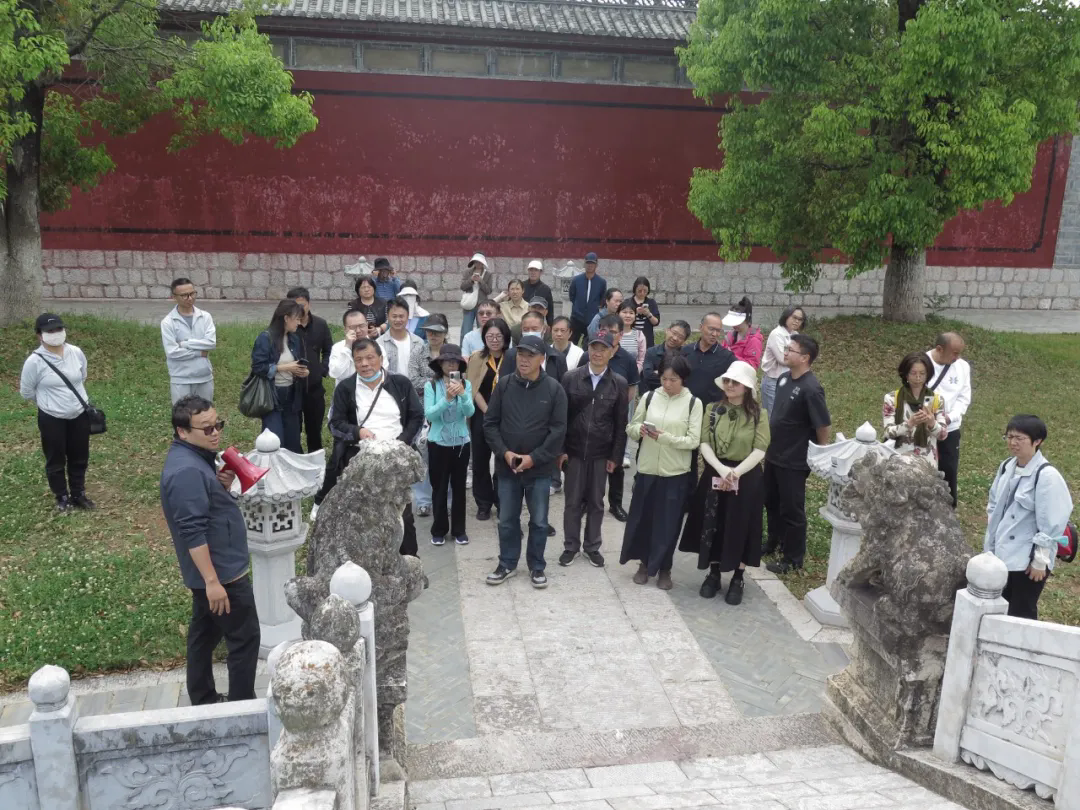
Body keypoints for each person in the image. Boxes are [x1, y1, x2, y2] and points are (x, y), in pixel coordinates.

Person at [161, 395, 258, 705]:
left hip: (215, 573)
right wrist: (213, 583)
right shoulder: (186, 472)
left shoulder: (195, 459)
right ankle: (242, 707)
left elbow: (206, 507)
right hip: (222, 575)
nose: (215, 433)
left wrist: (220, 486)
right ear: (182, 431)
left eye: (218, 425)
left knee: (204, 636)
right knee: (244, 638)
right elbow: (192, 531)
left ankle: (203, 700)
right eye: (206, 429)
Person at [679, 361, 770, 606]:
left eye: (735, 382)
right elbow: (704, 442)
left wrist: (736, 472)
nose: (729, 385)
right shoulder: (712, 409)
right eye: (727, 381)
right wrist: (721, 469)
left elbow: (760, 449)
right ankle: (714, 572)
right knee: (714, 522)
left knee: (742, 525)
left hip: (746, 475)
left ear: (746, 387)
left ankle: (738, 577)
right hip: (716, 471)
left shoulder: (759, 415)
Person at [483, 336, 568, 588]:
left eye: (531, 355)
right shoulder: (504, 385)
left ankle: (537, 566)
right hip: (507, 468)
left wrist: (534, 458)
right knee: (507, 520)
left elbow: (558, 431)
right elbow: (490, 424)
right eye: (521, 354)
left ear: (542, 358)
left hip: (539, 470)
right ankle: (507, 563)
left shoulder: (554, 389)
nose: (524, 359)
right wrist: (504, 453)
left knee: (539, 521)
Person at [325, 339, 424, 553]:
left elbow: (416, 416)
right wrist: (358, 432)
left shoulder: (400, 383)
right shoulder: (346, 388)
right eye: (358, 359)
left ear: (380, 358)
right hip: (362, 463)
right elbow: (335, 423)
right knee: (364, 517)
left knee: (402, 515)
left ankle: (410, 561)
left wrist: (402, 442)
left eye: (370, 358)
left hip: (395, 461)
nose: (365, 364)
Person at [619, 355, 703, 589]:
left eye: (673, 380)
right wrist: (639, 430)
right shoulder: (649, 397)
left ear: (683, 379)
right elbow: (631, 427)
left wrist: (666, 438)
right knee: (644, 519)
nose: (667, 384)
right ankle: (644, 563)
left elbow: (693, 441)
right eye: (664, 379)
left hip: (675, 473)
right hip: (648, 469)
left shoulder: (693, 403)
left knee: (669, 523)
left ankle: (665, 568)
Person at [984, 415, 1073, 621]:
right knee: (1000, 607)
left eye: (1020, 438)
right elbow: (994, 503)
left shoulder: (1047, 475)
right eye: (1009, 437)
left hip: (1027, 560)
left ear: (1037, 441)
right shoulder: (1006, 466)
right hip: (1001, 554)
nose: (1013, 443)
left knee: (1021, 612)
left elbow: (1052, 523)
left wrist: (1040, 560)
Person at [558, 333, 628, 569]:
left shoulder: (619, 382)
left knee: (597, 502)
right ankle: (570, 546)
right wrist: (561, 450)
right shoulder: (571, 378)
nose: (597, 353)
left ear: (612, 352)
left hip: (601, 453)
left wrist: (615, 456)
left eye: (603, 349)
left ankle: (592, 546)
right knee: (572, 501)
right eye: (593, 348)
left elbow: (621, 423)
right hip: (574, 451)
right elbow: (561, 418)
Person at [764, 334, 831, 574]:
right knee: (771, 501)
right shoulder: (784, 379)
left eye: (790, 350)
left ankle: (793, 558)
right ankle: (774, 541)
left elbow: (823, 425)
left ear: (804, 358)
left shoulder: (811, 389)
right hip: (774, 453)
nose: (785, 352)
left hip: (794, 459)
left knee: (792, 509)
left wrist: (820, 453)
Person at [19, 313, 96, 512]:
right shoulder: (34, 362)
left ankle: (78, 493)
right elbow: (27, 392)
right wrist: (50, 402)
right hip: (51, 418)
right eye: (50, 331)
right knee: (55, 458)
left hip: (79, 414)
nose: (56, 334)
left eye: (59, 329)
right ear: (39, 335)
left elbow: (82, 376)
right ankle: (61, 496)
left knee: (80, 456)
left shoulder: (76, 352)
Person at [576, 314, 640, 520]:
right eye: (605, 330)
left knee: (616, 464)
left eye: (613, 332)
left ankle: (615, 503)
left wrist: (618, 409)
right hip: (589, 418)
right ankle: (586, 501)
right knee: (589, 464)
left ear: (620, 335)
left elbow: (631, 390)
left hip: (614, 418)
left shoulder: (627, 359)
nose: (609, 335)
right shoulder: (588, 356)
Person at [424, 344, 474, 546]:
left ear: (460, 365)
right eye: (447, 361)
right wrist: (446, 399)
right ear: (440, 363)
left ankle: (459, 530)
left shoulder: (466, 384)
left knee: (459, 488)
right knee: (439, 488)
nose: (451, 365)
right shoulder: (432, 385)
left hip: (461, 443)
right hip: (438, 443)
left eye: (455, 361)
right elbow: (430, 415)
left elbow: (469, 412)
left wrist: (462, 394)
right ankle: (439, 530)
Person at [466, 317, 511, 520]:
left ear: (505, 337)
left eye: (498, 336)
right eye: (490, 336)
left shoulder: (512, 357)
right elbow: (472, 388)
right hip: (482, 416)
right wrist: (488, 412)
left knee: (503, 460)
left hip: (507, 418)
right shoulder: (477, 358)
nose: (494, 340)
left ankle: (502, 501)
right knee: (480, 461)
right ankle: (483, 503)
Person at [250, 299, 308, 453]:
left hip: (291, 395)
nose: (299, 323)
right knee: (275, 441)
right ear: (286, 318)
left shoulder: (294, 339)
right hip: (272, 396)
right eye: (297, 319)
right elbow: (258, 367)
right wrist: (285, 367)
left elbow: (295, 363)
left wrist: (301, 371)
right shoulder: (265, 338)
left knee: (293, 441)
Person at [927, 332, 972, 508]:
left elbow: (964, 397)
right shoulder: (922, 363)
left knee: (948, 470)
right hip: (925, 427)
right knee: (923, 468)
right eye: (954, 353)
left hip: (950, 428)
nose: (957, 358)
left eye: (959, 353)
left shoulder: (962, 367)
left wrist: (949, 417)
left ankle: (948, 510)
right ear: (940, 349)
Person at [287, 287, 334, 454]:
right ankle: (296, 462)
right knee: (293, 433)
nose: (299, 310)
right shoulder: (287, 327)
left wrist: (321, 370)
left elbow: (329, 350)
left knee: (314, 433)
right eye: (295, 306)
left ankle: (316, 463)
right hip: (292, 389)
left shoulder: (320, 325)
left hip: (314, 389)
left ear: (309, 304)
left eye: (302, 305)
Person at [413, 313, 450, 517]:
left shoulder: (452, 352)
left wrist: (429, 384)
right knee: (422, 457)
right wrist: (436, 384)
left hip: (448, 413)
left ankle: (447, 500)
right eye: (429, 332)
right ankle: (423, 501)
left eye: (437, 332)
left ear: (445, 333)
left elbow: (459, 379)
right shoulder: (418, 352)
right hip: (422, 412)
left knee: (447, 459)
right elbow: (412, 379)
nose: (433, 335)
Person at [883, 352, 947, 467]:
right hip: (898, 461)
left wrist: (932, 423)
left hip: (927, 463)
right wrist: (909, 424)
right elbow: (888, 432)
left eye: (922, 373)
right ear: (906, 375)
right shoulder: (892, 398)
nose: (918, 377)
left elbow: (942, 435)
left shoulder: (937, 399)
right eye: (913, 373)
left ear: (928, 374)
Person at [161, 278, 217, 404]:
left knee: (205, 413)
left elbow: (211, 343)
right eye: (184, 295)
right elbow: (172, 352)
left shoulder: (205, 317)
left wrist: (185, 343)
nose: (190, 298)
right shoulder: (168, 322)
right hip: (181, 378)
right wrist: (199, 352)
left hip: (204, 376)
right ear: (174, 297)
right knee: (182, 414)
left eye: (192, 293)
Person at [683, 312, 735, 404]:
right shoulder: (685, 351)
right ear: (700, 327)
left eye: (718, 330)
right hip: (686, 405)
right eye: (711, 329)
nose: (714, 334)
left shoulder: (727, 357)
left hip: (711, 409)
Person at [762, 306, 805, 414]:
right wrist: (799, 358)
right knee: (772, 416)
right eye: (794, 317)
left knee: (785, 414)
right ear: (786, 316)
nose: (797, 321)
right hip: (773, 381)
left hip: (788, 380)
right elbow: (783, 359)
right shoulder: (776, 334)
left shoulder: (795, 335)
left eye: (800, 319)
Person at [377, 296, 427, 386]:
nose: (398, 320)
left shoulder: (418, 343)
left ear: (408, 317)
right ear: (388, 317)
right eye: (394, 316)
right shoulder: (379, 344)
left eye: (401, 316)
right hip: (389, 390)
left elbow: (424, 372)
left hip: (415, 390)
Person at [329, 309, 379, 383]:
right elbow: (335, 373)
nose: (358, 330)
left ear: (367, 325)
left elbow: (381, 374)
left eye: (361, 326)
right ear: (345, 329)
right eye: (353, 327)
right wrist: (347, 347)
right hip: (345, 389)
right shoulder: (338, 348)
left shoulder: (377, 347)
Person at [568, 252, 606, 346]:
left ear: (596, 265)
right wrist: (578, 306)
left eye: (592, 263)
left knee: (589, 344)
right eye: (588, 263)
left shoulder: (601, 282)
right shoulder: (576, 280)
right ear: (584, 263)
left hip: (592, 319)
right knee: (571, 343)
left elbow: (602, 298)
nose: (590, 265)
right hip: (576, 317)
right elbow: (572, 296)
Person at [642, 320, 691, 394]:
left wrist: (659, 373)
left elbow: (687, 380)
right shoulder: (651, 352)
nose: (675, 338)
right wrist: (675, 379)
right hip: (654, 395)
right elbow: (648, 376)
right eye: (674, 333)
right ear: (667, 330)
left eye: (680, 337)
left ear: (684, 341)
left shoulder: (685, 355)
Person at [460, 253, 495, 342]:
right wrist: (471, 280)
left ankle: (483, 346)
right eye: (476, 262)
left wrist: (481, 281)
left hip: (482, 306)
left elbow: (488, 291)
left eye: (480, 262)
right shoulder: (467, 272)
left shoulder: (488, 274)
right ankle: (463, 347)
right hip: (469, 304)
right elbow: (463, 287)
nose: (478, 264)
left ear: (483, 263)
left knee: (483, 329)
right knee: (466, 330)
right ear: (474, 262)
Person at [722, 297, 764, 369]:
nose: (734, 325)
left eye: (737, 322)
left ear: (746, 320)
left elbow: (752, 365)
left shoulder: (754, 340)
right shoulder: (730, 335)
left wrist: (731, 356)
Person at [630, 276, 661, 348]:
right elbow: (622, 320)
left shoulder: (651, 302)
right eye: (639, 291)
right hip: (631, 339)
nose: (642, 293)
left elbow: (656, 322)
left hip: (647, 340)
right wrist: (634, 313)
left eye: (645, 291)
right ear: (635, 289)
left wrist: (648, 314)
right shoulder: (628, 302)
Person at [523, 260, 555, 326]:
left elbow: (550, 310)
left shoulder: (545, 289)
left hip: (539, 323)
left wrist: (550, 325)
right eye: (531, 270)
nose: (533, 272)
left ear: (541, 272)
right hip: (523, 321)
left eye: (536, 270)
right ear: (528, 271)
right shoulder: (522, 286)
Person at [617, 301, 647, 372]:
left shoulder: (639, 334)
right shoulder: (613, 333)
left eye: (631, 313)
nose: (628, 316)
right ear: (617, 314)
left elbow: (641, 360)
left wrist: (635, 373)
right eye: (624, 312)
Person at [499, 279, 529, 344]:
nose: (515, 292)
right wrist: (500, 297)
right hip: (507, 340)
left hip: (524, 340)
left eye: (517, 289)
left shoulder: (529, 307)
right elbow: (487, 305)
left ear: (523, 291)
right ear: (508, 291)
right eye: (512, 289)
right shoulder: (503, 306)